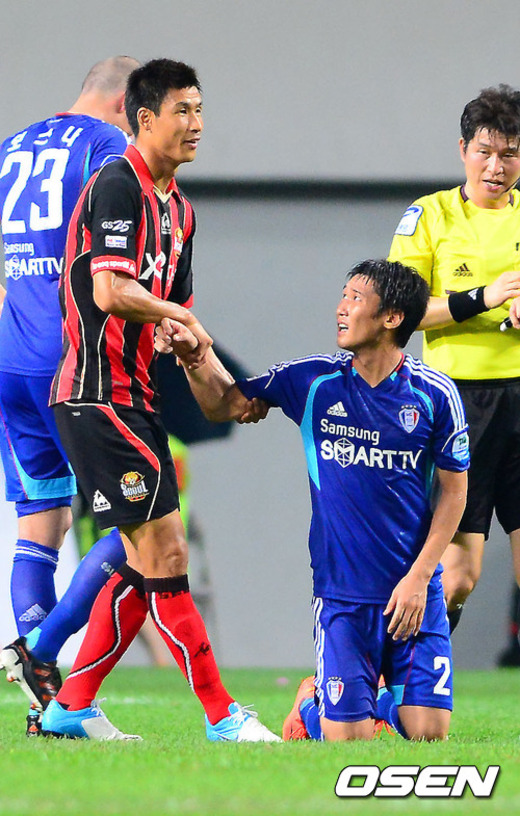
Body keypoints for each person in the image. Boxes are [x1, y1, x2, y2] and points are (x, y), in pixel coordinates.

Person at [40, 58, 280, 743]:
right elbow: (112, 290)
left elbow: (173, 321)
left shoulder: (180, 210)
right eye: (182, 110)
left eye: (200, 109)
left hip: (134, 396)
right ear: (144, 118)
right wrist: (179, 316)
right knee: (167, 554)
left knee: (138, 560)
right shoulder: (117, 182)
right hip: (95, 394)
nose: (196, 124)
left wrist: (218, 382)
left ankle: (70, 706)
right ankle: (222, 715)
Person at [157, 259, 469, 741]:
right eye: (343, 296)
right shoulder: (314, 381)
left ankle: (379, 698)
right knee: (348, 743)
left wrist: (420, 576)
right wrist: (195, 358)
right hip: (342, 594)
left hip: (413, 591)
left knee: (428, 734)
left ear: (392, 318)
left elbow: (454, 491)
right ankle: (311, 703)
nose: (341, 308)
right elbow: (227, 404)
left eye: (356, 299)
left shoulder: (435, 394)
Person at [0, 56, 140, 732]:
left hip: (10, 361)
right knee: (144, 514)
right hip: (72, 363)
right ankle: (41, 648)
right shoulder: (106, 146)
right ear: (124, 104)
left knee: (38, 530)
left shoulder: (11, 148)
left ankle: (48, 708)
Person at [388, 84, 520, 634]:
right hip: (457, 404)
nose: (497, 166)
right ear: (463, 150)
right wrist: (484, 298)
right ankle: (397, 671)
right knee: (458, 575)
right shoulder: (430, 216)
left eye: (510, 153)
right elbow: (401, 312)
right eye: (485, 152)